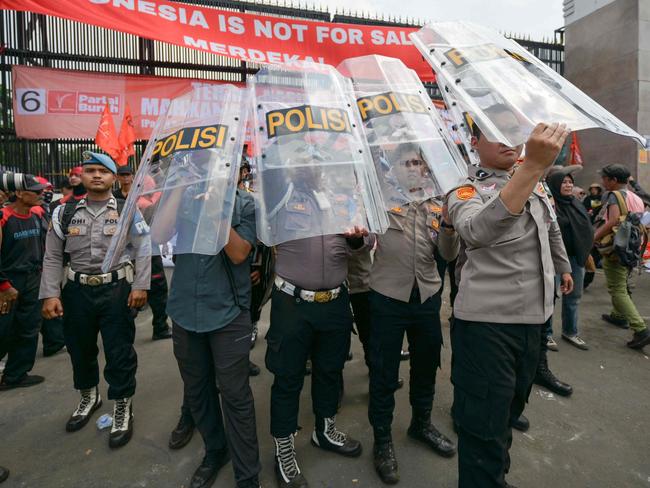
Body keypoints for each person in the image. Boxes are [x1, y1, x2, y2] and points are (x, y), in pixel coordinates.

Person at [447, 119, 572, 488]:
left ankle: (494, 477)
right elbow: (475, 231)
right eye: (495, 132)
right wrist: (533, 166)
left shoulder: (531, 182)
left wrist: (563, 265)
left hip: (533, 322)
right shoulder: (464, 188)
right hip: (486, 326)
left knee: (508, 412)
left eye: (514, 134)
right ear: (474, 141)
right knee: (482, 427)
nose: (509, 142)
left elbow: (550, 228)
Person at [40, 151, 150, 448]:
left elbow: (142, 247)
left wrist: (140, 285)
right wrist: (50, 293)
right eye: (90, 170)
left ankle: (122, 404)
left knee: (119, 351)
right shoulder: (63, 212)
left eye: (103, 171)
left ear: (115, 178)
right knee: (79, 348)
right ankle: (89, 396)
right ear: (81, 176)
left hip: (116, 291)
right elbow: (52, 255)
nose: (97, 176)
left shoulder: (129, 210)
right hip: (77, 292)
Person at [367, 144, 459, 485]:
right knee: (383, 370)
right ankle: (382, 440)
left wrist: (449, 226)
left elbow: (448, 255)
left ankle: (421, 424)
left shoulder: (439, 204)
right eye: (404, 162)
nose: (411, 167)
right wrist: (355, 238)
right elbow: (361, 244)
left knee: (426, 363)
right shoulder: (379, 202)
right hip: (387, 297)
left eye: (417, 162)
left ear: (424, 167)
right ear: (393, 168)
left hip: (428, 297)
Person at [266, 226, 367, 487]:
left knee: (330, 370)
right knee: (287, 378)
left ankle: (325, 430)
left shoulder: (345, 197)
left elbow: (366, 245)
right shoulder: (282, 192)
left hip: (335, 301)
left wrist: (357, 239)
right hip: (292, 304)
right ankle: (284, 448)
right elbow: (264, 232)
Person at [0, 174, 48, 390]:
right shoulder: (3, 217)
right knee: (3, 330)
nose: (41, 194)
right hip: (8, 282)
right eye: (36, 191)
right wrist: (3, 286)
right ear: (19, 193)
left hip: (32, 279)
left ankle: (16, 375)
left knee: (28, 328)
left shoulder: (37, 214)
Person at [594, 163, 650, 349]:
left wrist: (593, 237)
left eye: (605, 178)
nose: (603, 181)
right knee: (623, 280)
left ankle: (641, 329)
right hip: (632, 246)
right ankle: (618, 316)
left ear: (613, 180)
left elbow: (613, 221)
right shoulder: (636, 197)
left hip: (616, 247)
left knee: (617, 289)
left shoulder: (614, 195)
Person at [114, 165, 172, 340]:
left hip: (148, 248)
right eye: (122, 175)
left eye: (128, 175)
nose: (125, 178)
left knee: (158, 288)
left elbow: (155, 217)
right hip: (124, 251)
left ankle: (160, 327)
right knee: (123, 289)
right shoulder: (113, 198)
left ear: (133, 176)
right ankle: (124, 330)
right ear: (117, 177)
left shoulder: (143, 195)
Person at [547, 167, 594, 350]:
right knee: (550, 297)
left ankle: (570, 332)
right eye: (563, 182)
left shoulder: (576, 203)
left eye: (570, 182)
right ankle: (547, 334)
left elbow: (585, 228)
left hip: (576, 257)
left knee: (574, 296)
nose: (568, 185)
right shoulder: (551, 205)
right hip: (555, 258)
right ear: (555, 184)